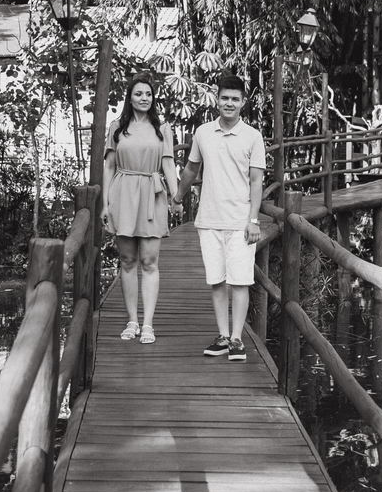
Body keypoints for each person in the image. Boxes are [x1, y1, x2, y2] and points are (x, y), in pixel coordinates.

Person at [172, 73, 265, 362]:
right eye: (225, 98)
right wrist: (177, 197)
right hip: (209, 219)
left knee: (240, 281)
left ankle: (237, 339)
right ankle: (223, 336)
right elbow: (191, 169)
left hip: (240, 221)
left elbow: (256, 181)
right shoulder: (202, 133)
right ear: (217, 99)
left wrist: (253, 220)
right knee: (217, 281)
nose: (229, 103)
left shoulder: (253, 136)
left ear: (243, 102)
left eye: (235, 99)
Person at [101, 75, 180, 345]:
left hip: (152, 193)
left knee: (149, 261)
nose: (144, 98)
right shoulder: (117, 127)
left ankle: (148, 323)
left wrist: (176, 196)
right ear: (130, 98)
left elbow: (168, 164)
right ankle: (132, 320)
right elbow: (109, 166)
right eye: (139, 94)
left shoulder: (162, 129)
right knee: (127, 260)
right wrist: (105, 204)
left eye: (148, 94)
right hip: (122, 192)